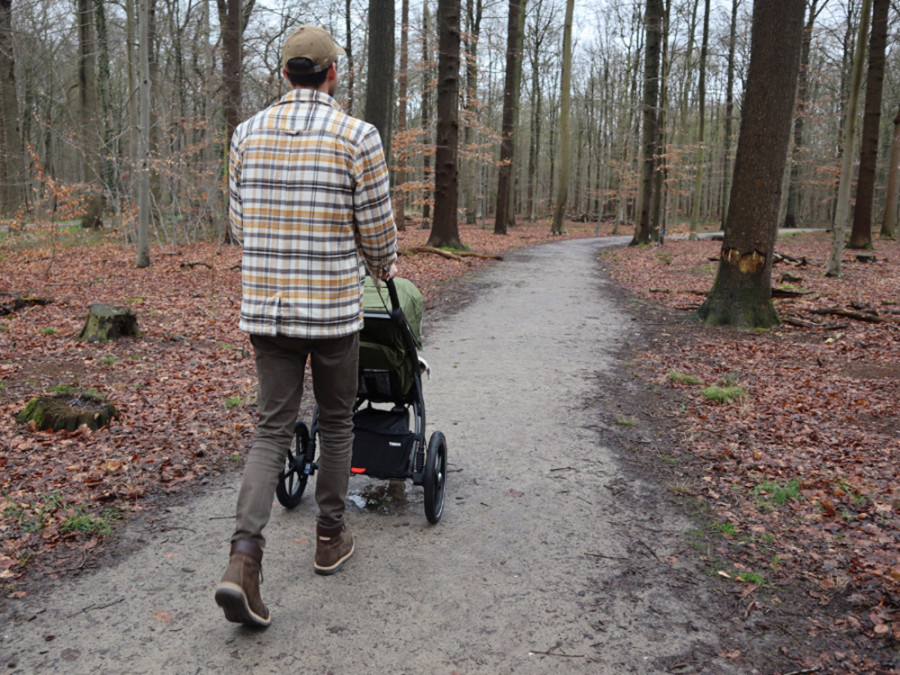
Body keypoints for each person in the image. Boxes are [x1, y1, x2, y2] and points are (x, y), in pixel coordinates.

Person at [215, 25, 398, 627]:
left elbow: (240, 229)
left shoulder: (245, 135)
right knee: (338, 419)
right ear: (333, 74)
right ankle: (329, 537)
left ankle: (244, 559)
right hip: (333, 313)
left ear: (282, 75)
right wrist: (382, 265)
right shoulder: (357, 136)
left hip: (267, 310)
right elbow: (376, 234)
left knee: (271, 430)